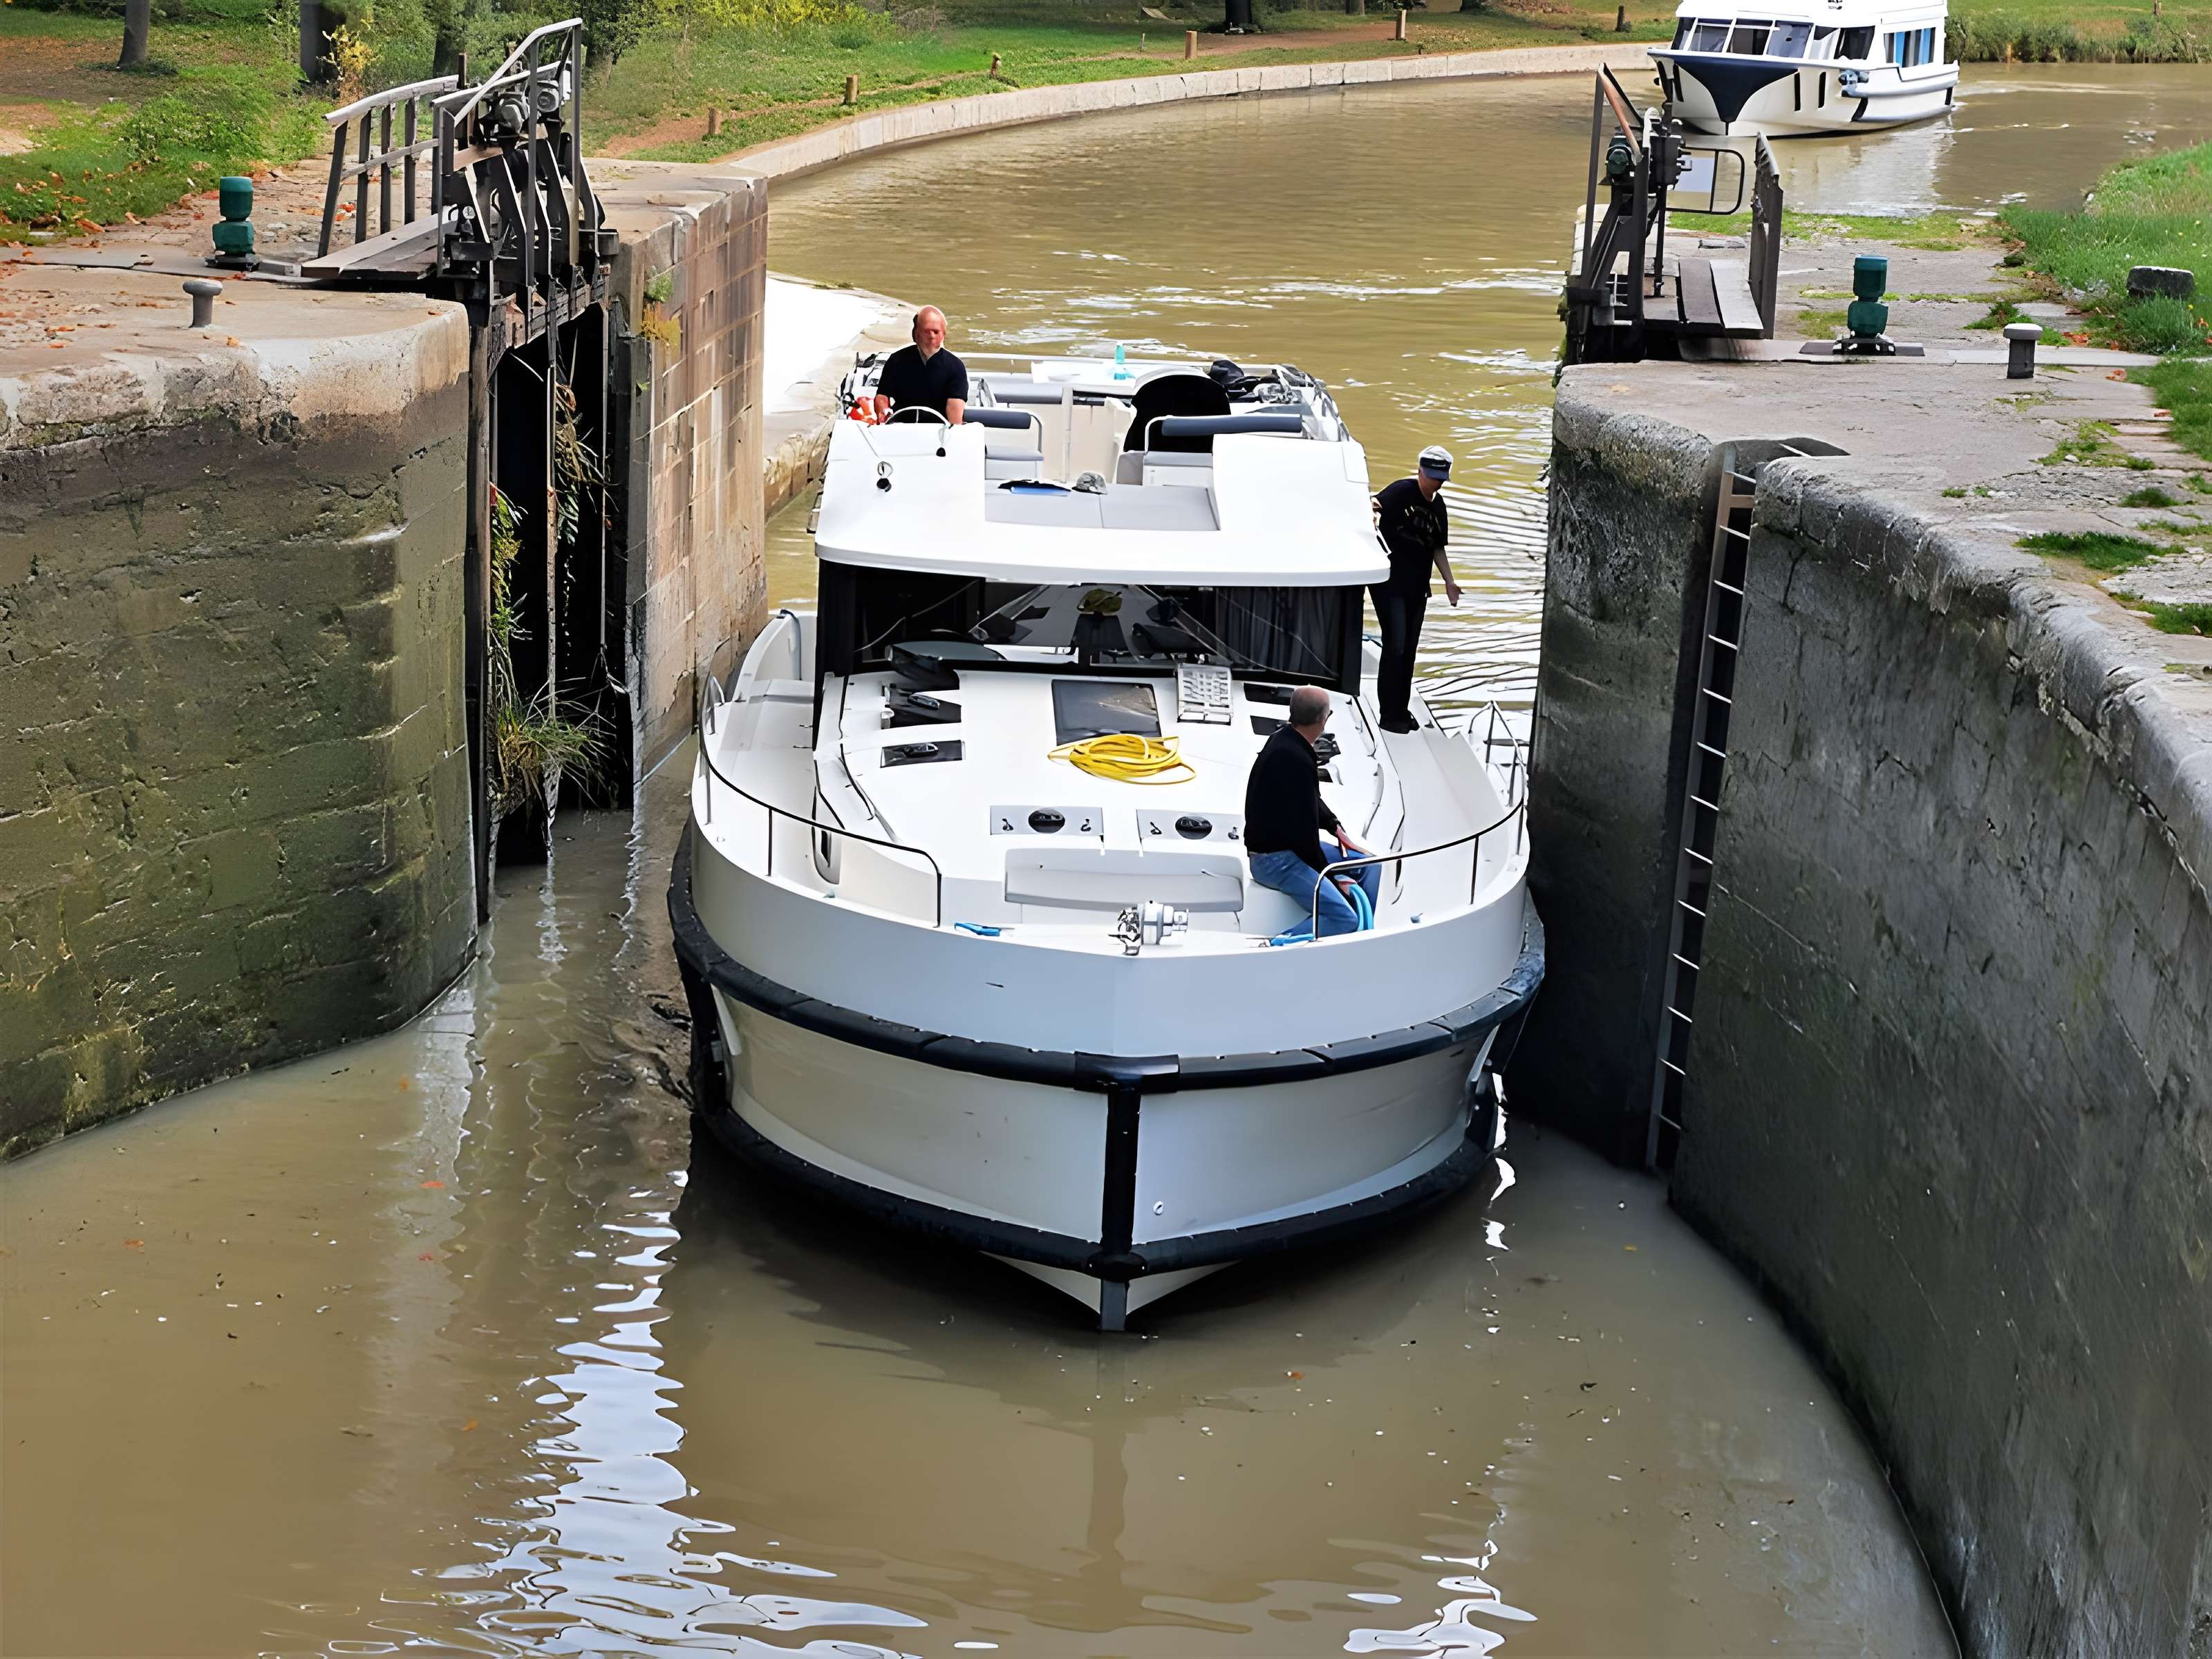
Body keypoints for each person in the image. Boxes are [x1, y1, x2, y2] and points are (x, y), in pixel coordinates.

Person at [1244, 685, 1381, 939]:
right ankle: (1278, 945)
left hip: (1288, 849)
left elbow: (1310, 799)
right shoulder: (1295, 757)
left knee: (1371, 865)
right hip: (1276, 861)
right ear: (1324, 719)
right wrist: (1329, 879)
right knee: (1344, 919)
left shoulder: (1284, 740)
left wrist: (1334, 827)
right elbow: (1303, 834)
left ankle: (1361, 938)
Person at [1370, 444, 1462, 734]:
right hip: (1389, 583)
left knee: (1409, 650)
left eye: (1441, 478)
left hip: (1417, 587)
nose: (1435, 483)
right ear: (1420, 470)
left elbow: (1437, 546)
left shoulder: (1439, 507)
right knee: (1395, 644)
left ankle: (1401, 709)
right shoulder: (1399, 492)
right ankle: (1388, 714)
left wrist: (1449, 581)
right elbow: (1372, 508)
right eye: (1432, 476)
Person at [872, 306, 968, 425]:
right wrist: (883, 411)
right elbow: (882, 395)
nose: (932, 336)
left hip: (940, 430)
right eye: (927, 331)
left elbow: (955, 409)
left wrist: (954, 433)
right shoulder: (896, 360)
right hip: (901, 427)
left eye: (936, 332)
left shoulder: (956, 367)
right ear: (916, 333)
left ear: (944, 335)